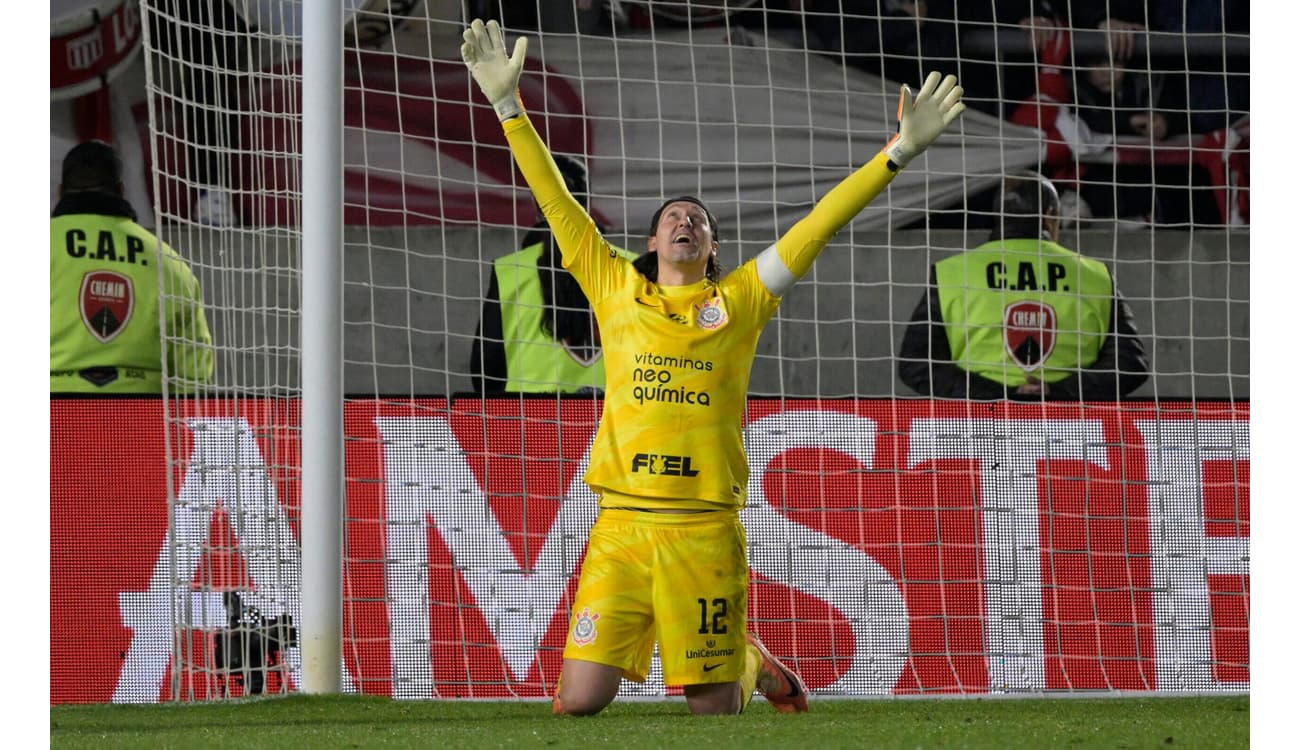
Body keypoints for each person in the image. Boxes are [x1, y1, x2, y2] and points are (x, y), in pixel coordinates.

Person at [461, 18, 965, 715]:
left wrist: (899, 152)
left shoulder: (741, 301)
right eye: (673, 214)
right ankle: (741, 654)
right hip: (621, 526)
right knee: (575, 704)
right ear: (650, 239)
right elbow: (557, 202)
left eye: (698, 218)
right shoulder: (614, 288)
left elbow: (817, 224)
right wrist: (508, 106)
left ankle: (747, 659)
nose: (685, 220)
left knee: (712, 714)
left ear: (713, 245)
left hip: (703, 528)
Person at [897, 171, 1148, 400]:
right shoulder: (1096, 275)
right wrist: (1057, 392)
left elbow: (916, 364)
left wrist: (1001, 395)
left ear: (998, 217)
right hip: (1072, 429)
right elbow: (1130, 364)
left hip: (978, 429)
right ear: (1050, 217)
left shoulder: (951, 273)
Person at [51, 140, 214, 393]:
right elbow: (194, 373)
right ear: (121, 189)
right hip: (139, 419)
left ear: (60, 191)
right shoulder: (169, 262)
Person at [469, 155, 634, 394]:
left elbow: (484, 370)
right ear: (587, 202)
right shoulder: (632, 266)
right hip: (620, 418)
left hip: (532, 421)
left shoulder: (510, 271)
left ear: (537, 204)